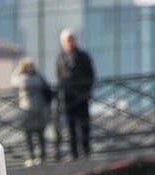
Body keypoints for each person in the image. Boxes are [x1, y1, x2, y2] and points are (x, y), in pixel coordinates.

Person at [56, 30, 95, 159]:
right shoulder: (60, 58)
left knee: (84, 125)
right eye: (67, 41)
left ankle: (86, 151)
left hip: (82, 97)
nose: (69, 43)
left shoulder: (83, 56)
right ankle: (74, 154)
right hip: (68, 99)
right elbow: (60, 77)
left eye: (71, 40)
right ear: (62, 43)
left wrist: (86, 92)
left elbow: (91, 76)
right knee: (71, 127)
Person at [12, 58, 52, 165]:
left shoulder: (22, 79)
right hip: (39, 108)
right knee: (40, 135)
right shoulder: (38, 78)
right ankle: (42, 156)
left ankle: (31, 156)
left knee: (28, 136)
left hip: (26, 109)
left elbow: (13, 81)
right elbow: (47, 87)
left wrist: (18, 70)